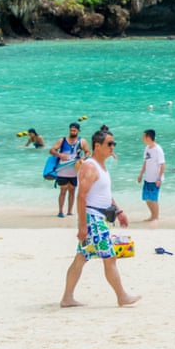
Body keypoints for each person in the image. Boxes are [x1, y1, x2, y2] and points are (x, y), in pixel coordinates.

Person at [60, 130, 140, 308]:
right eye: (109, 144)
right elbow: (82, 196)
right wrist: (83, 226)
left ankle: (67, 297)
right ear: (97, 146)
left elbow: (104, 195)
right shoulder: (90, 166)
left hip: (98, 218)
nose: (113, 147)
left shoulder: (101, 166)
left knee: (81, 257)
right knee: (109, 258)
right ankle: (122, 296)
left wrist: (119, 212)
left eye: (114, 144)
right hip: (93, 220)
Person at [50, 122, 88, 218]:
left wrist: (83, 158)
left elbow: (88, 152)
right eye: (71, 130)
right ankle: (60, 211)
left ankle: (70, 211)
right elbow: (52, 150)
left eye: (74, 130)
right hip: (62, 170)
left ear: (78, 131)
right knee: (63, 190)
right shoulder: (62, 140)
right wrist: (60, 155)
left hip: (75, 171)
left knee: (72, 190)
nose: (72, 132)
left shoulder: (82, 141)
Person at [136, 129, 165, 223]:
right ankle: (152, 216)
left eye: (143, 137)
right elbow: (145, 162)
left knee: (153, 198)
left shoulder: (158, 149)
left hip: (155, 179)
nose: (142, 139)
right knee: (147, 198)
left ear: (148, 137)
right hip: (147, 178)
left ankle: (156, 217)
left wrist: (159, 179)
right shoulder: (147, 148)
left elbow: (163, 165)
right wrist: (141, 174)